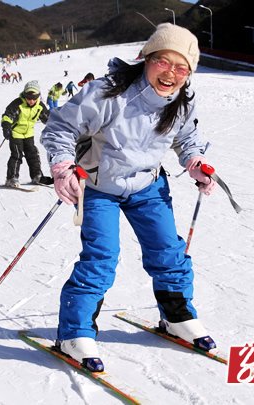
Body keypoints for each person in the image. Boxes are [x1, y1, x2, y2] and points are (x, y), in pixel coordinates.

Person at [40, 23, 217, 372]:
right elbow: (61, 126)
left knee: (169, 251)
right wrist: (62, 166)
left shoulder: (181, 102)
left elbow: (187, 138)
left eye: (181, 68)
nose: (170, 73)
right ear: (146, 58)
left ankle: (177, 316)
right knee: (101, 259)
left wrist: (195, 162)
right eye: (163, 61)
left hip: (147, 186)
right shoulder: (108, 93)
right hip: (97, 187)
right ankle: (74, 333)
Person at [1, 80, 51, 187]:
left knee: (33, 154)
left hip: (28, 133)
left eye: (34, 98)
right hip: (15, 133)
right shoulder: (18, 104)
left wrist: (57, 126)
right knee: (17, 155)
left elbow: (48, 118)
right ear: (24, 95)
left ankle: (36, 175)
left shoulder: (39, 106)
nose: (31, 101)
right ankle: (11, 178)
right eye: (28, 97)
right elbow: (7, 115)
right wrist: (6, 127)